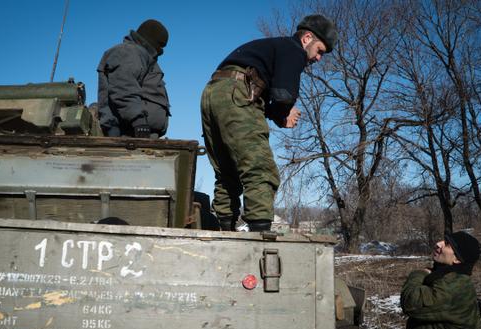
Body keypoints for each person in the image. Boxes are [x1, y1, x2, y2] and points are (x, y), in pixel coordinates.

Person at [200, 15, 337, 232]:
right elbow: (283, 94)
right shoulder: (293, 50)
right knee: (261, 169)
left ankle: (223, 230)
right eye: (320, 50)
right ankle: (259, 235)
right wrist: (284, 114)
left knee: (227, 172)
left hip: (214, 92)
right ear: (307, 38)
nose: (319, 58)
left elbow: (265, 94)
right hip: (237, 91)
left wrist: (274, 112)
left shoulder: (272, 48)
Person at [97, 19, 170, 138]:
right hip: (131, 133)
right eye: (160, 44)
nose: (161, 51)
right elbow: (123, 87)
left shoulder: (140, 55)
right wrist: (138, 121)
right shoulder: (129, 51)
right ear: (151, 39)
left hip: (140, 133)